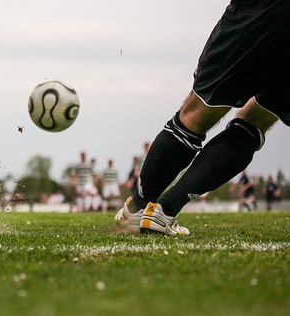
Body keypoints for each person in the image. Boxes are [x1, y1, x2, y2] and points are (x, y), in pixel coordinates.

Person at [116, 1, 290, 235]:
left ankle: (139, 208)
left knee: (195, 114)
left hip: (261, 10)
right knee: (258, 119)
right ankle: (164, 211)